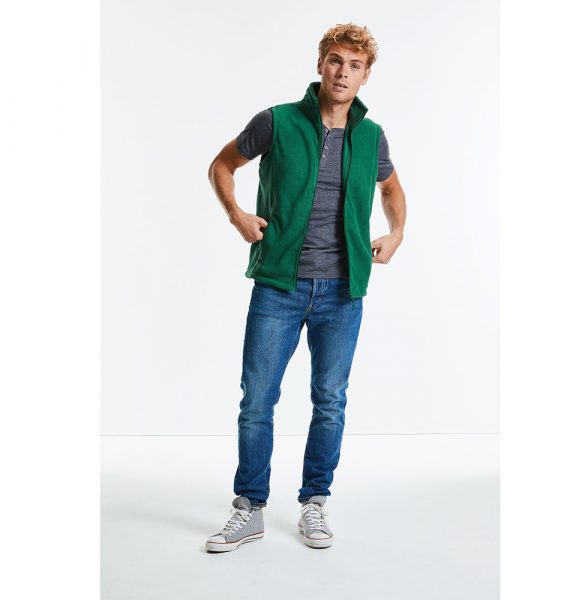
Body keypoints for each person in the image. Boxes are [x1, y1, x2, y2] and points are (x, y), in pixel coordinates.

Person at [205, 22, 406, 552]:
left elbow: (390, 187)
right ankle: (249, 507)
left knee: (330, 400)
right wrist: (237, 215)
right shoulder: (276, 121)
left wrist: (396, 232)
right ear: (320, 65)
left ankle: (314, 501)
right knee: (257, 399)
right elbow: (223, 164)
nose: (343, 73)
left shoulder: (371, 136)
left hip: (343, 291)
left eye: (355, 65)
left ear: (365, 76)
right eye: (335, 61)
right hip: (279, 285)